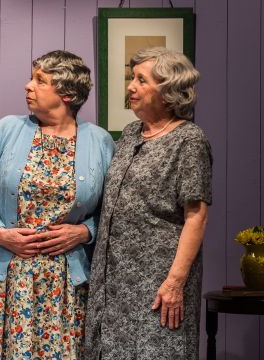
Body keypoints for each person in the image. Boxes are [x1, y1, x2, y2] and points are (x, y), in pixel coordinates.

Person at [0, 50, 115, 359]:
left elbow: (112, 212)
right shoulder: (7, 130)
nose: (28, 86)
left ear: (67, 94)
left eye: (40, 81)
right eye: (32, 78)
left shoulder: (99, 141)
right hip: (4, 276)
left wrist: (84, 232)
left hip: (65, 283)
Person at [85, 47, 212, 359]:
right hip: (112, 284)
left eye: (141, 80)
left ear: (168, 92)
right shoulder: (130, 134)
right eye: (132, 78)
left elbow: (196, 217)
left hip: (158, 284)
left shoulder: (189, 140)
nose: (131, 86)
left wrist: (174, 283)